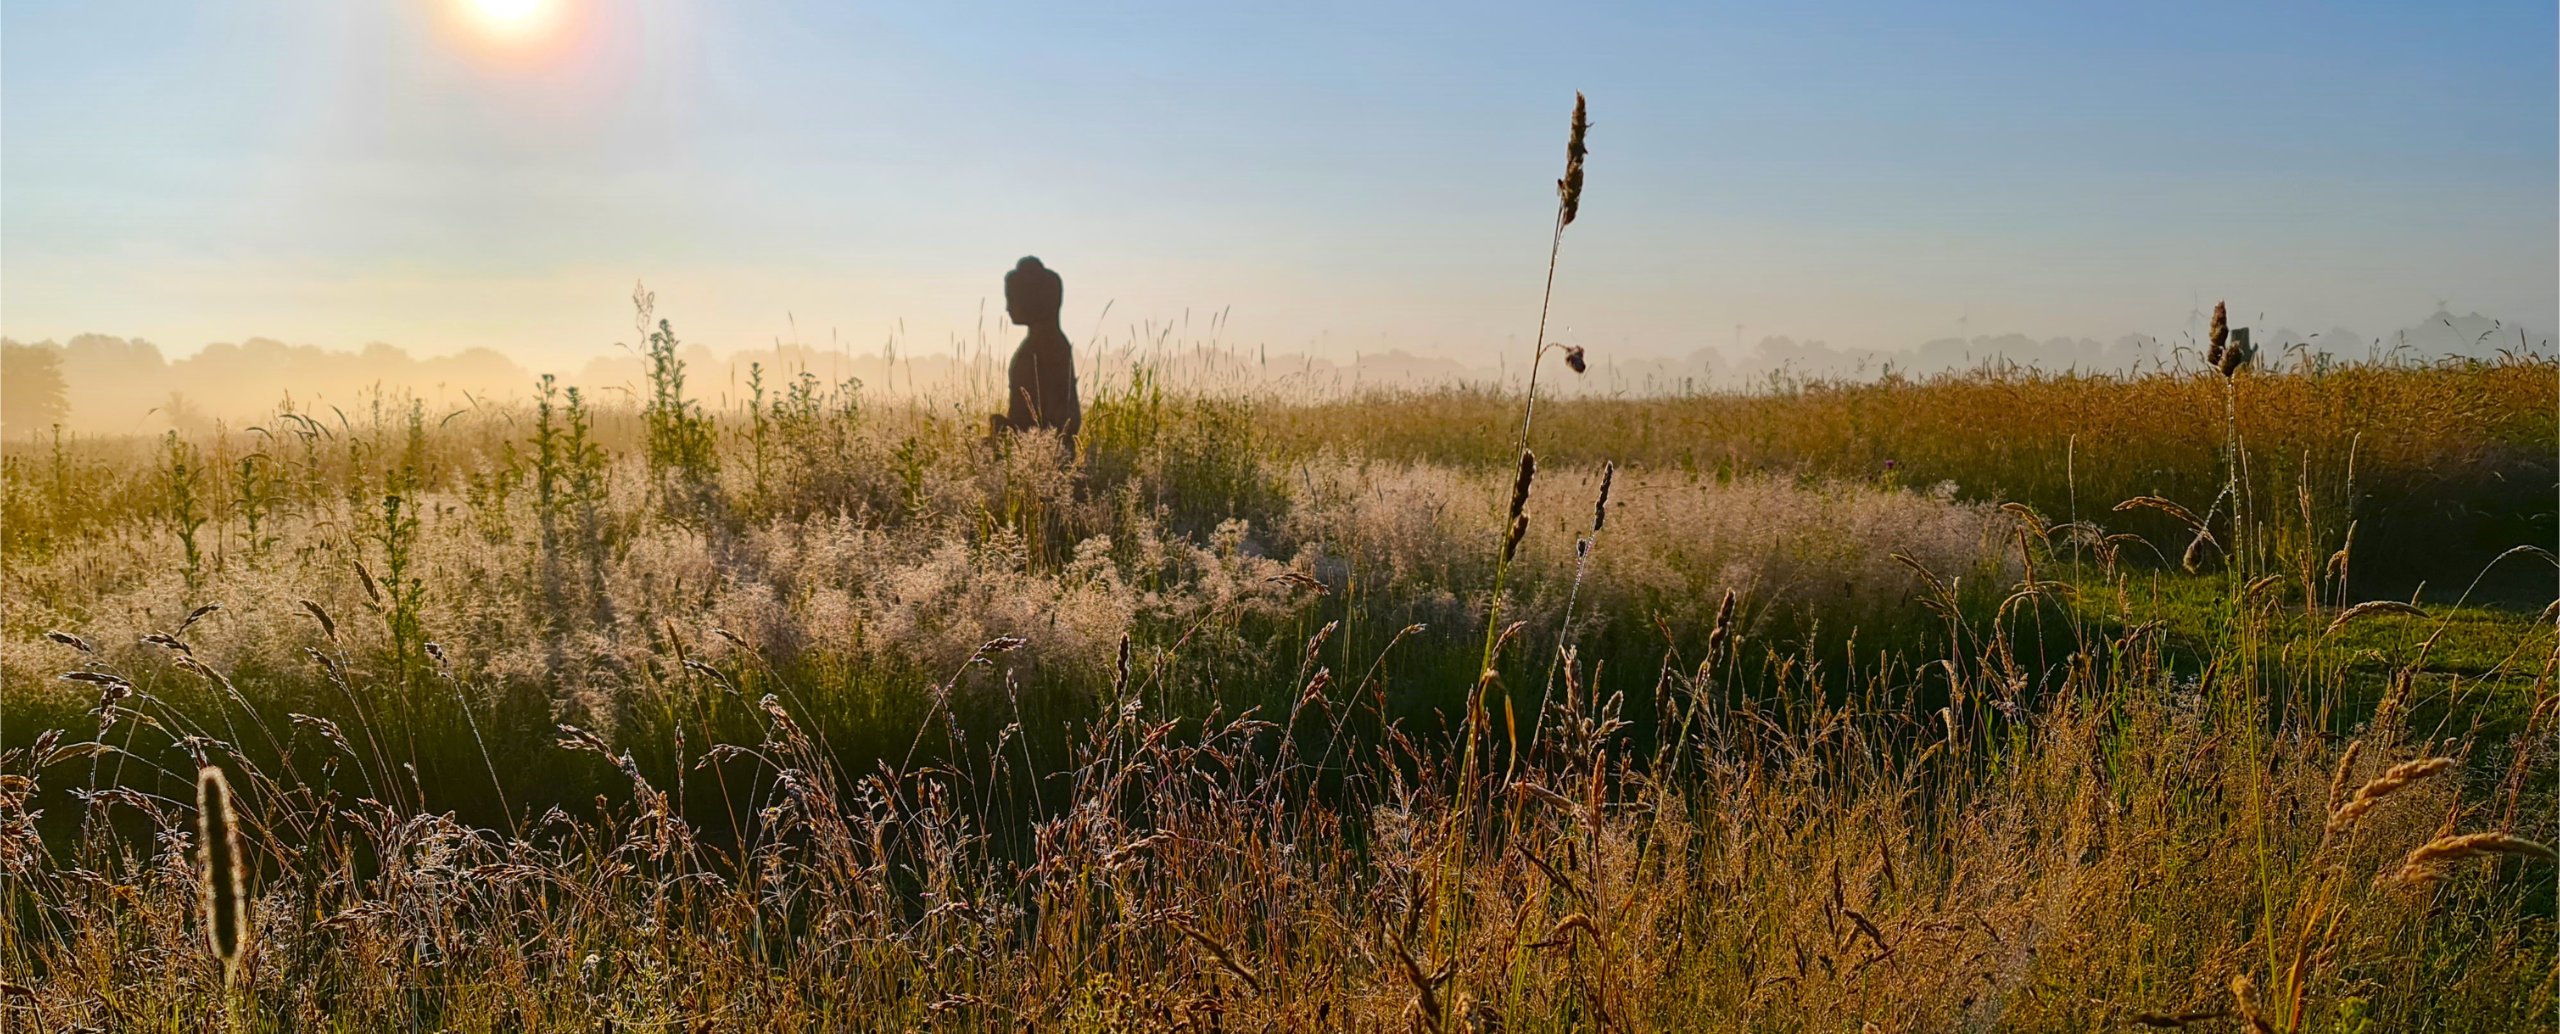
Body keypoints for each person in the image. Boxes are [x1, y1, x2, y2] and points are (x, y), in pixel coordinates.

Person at [989, 256, 1080, 449]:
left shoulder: (1049, 348)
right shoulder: (1043, 345)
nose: (1007, 308)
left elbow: (1061, 420)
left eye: (1012, 299)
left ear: (1035, 301)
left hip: (1041, 453)